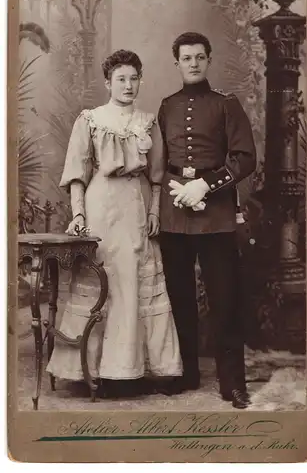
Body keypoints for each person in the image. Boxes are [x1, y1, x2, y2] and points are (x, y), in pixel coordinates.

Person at [46, 49, 183, 398]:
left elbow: (156, 177)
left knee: (134, 280)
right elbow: (78, 174)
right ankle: (95, 370)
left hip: (136, 207)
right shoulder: (90, 119)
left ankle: (132, 369)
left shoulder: (147, 121)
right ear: (107, 83)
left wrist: (154, 212)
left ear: (140, 81)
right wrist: (78, 214)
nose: (128, 85)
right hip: (100, 206)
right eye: (120, 79)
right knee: (103, 282)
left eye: (133, 78)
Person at [157, 32, 257, 408]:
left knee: (225, 299)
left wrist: (204, 186)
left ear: (209, 59)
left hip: (216, 215)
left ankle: (233, 384)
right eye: (186, 58)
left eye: (200, 56)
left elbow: (246, 157)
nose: (194, 63)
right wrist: (179, 190)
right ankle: (186, 373)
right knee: (180, 297)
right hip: (174, 214)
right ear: (177, 63)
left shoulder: (226, 105)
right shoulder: (167, 106)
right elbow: (159, 162)